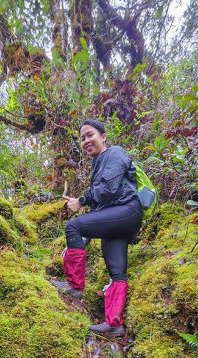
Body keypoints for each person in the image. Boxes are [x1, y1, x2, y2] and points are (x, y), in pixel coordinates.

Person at [51, 119, 143, 336]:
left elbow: (109, 189)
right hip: (118, 218)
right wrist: (87, 237)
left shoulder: (115, 153)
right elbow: (101, 209)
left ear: (103, 137)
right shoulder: (98, 163)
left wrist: (81, 200)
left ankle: (74, 286)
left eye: (90, 135)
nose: (86, 141)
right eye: (82, 138)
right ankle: (114, 323)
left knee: (73, 226)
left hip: (126, 210)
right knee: (117, 270)